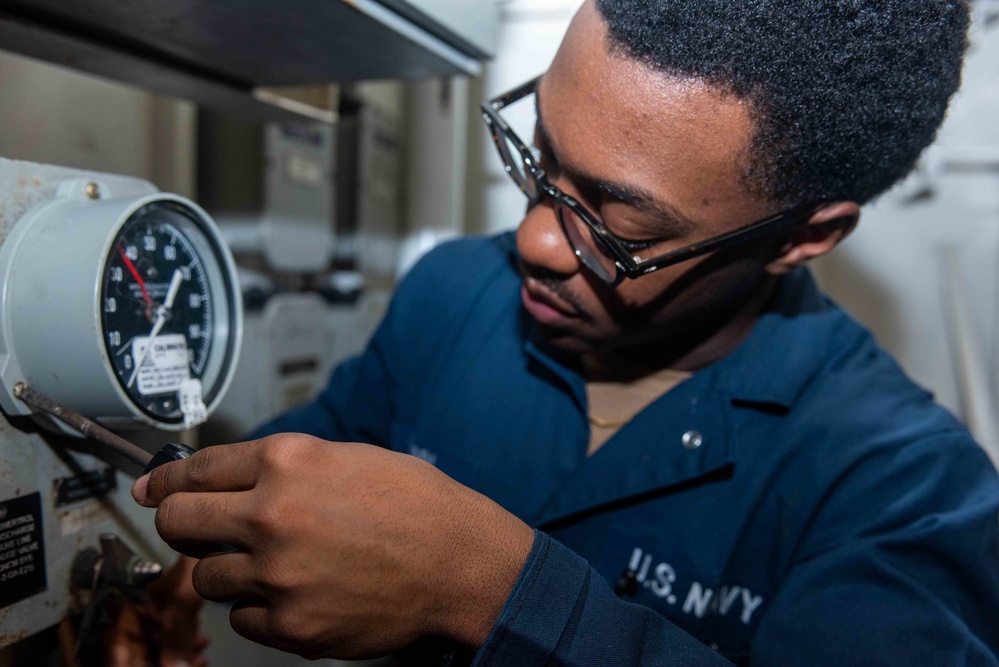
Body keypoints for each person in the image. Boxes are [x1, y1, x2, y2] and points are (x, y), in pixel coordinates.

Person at [132, 0, 999, 664]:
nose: (534, 240)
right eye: (538, 155)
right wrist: (178, 568)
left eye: (625, 228)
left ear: (800, 237)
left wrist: (495, 593)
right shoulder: (453, 294)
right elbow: (315, 455)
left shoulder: (904, 492)